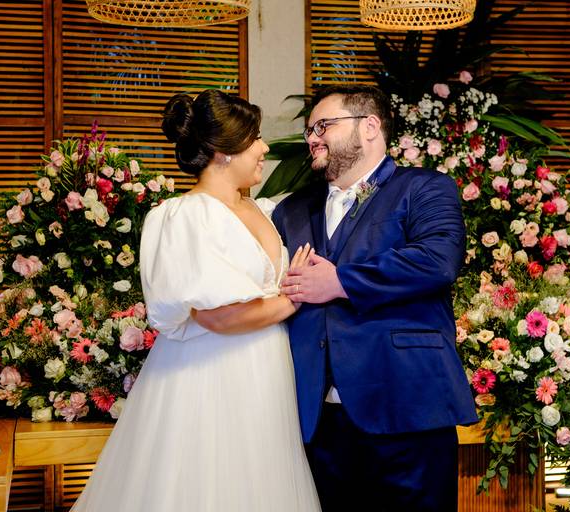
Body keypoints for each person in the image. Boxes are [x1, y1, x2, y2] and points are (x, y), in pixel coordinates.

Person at [71, 89, 321, 512]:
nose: (264, 148)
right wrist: (295, 299)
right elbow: (216, 316)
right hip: (211, 373)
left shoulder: (261, 209)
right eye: (256, 138)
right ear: (225, 151)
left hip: (265, 368)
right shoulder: (185, 215)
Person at [271, 84, 478, 512]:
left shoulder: (424, 188)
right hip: (317, 422)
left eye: (323, 126)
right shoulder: (290, 211)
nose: (312, 139)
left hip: (406, 408)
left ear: (369, 127)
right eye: (309, 130)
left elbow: (438, 259)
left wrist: (340, 282)